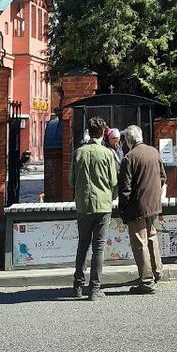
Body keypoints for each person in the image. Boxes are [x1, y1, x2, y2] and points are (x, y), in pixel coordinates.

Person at [69, 115, 118, 301]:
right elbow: (113, 180)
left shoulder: (78, 153)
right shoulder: (107, 154)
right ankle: (95, 289)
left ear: (89, 132)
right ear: (103, 132)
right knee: (99, 247)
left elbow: (71, 180)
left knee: (83, 244)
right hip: (103, 204)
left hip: (83, 205)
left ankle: (78, 285)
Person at [118, 124, 167, 293]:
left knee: (140, 243)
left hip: (137, 207)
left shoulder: (129, 158)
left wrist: (122, 208)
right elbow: (162, 177)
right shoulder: (154, 152)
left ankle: (146, 281)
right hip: (154, 205)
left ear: (129, 140)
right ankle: (157, 271)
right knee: (152, 238)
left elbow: (125, 189)